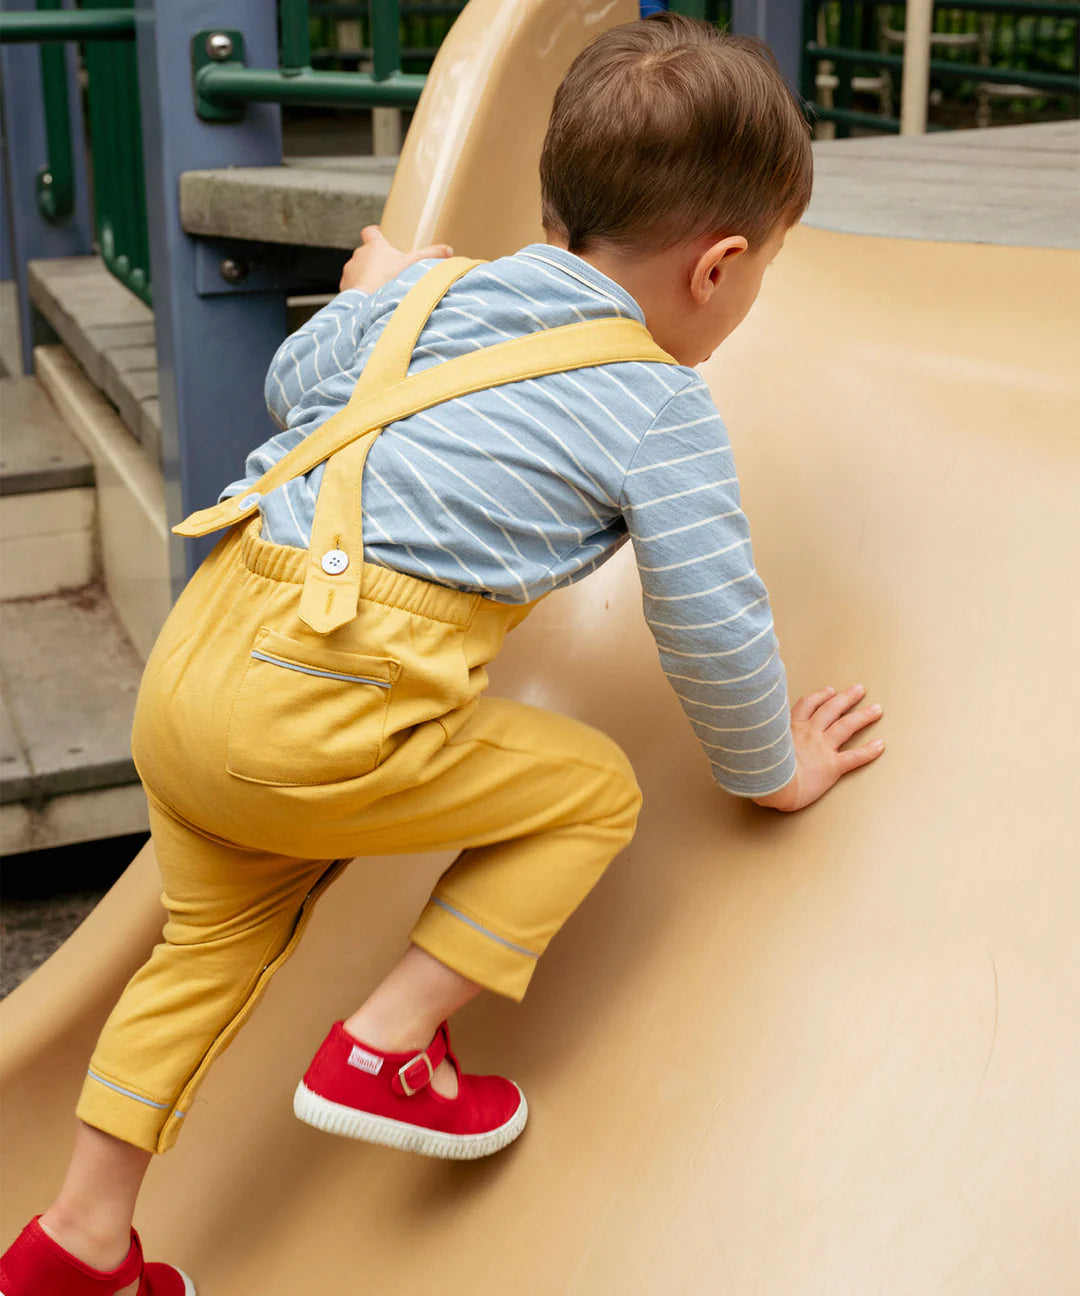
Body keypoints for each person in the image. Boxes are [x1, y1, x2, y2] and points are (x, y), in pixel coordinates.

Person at [1, 14, 885, 1294]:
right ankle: (387, 1043)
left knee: (201, 953)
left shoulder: (438, 292)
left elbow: (295, 385)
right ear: (721, 265)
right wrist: (768, 768)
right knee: (591, 789)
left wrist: (380, 295)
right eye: (765, 275)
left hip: (200, 664)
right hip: (318, 706)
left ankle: (78, 1243)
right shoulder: (661, 403)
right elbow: (710, 616)